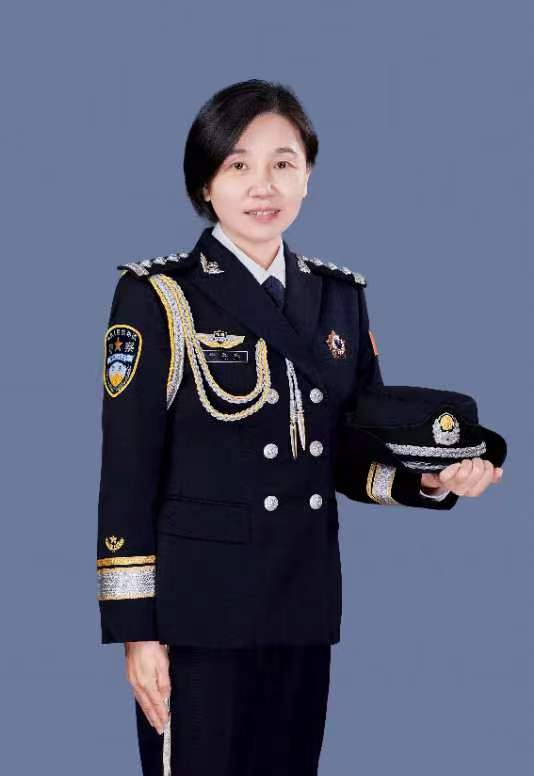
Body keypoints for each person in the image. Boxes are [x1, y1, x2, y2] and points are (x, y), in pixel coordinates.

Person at [96, 79, 504, 776]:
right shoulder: (158, 296)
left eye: (283, 163)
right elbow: (128, 473)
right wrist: (137, 635)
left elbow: (350, 452)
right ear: (205, 184)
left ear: (308, 176)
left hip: (303, 601)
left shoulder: (339, 297)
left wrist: (431, 480)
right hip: (199, 617)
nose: (264, 185)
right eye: (239, 164)